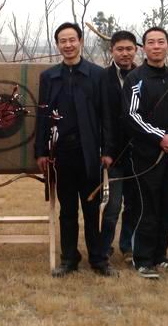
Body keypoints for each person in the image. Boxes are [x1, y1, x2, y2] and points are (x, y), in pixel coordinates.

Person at [35, 22, 115, 277]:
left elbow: (107, 115)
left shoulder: (98, 75)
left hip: (90, 154)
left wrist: (108, 150)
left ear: (80, 41)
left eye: (72, 40)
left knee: (92, 210)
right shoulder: (48, 77)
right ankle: (69, 259)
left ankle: (99, 259)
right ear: (57, 44)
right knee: (67, 210)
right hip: (61, 155)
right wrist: (41, 151)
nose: (68, 45)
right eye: (63, 41)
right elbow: (43, 116)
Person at [121, 27, 168, 280]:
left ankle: (160, 255)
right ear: (144, 48)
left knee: (167, 206)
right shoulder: (135, 79)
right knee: (147, 207)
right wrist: (160, 137)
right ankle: (142, 259)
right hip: (146, 157)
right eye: (151, 42)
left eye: (160, 42)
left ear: (167, 45)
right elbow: (131, 115)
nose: (156, 46)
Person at [100, 31, 138, 264]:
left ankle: (128, 247)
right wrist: (105, 150)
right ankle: (104, 247)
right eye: (120, 49)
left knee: (134, 204)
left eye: (129, 49)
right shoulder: (102, 78)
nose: (125, 53)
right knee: (112, 205)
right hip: (112, 154)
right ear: (112, 51)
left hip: (139, 152)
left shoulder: (143, 76)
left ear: (136, 50)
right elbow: (100, 116)